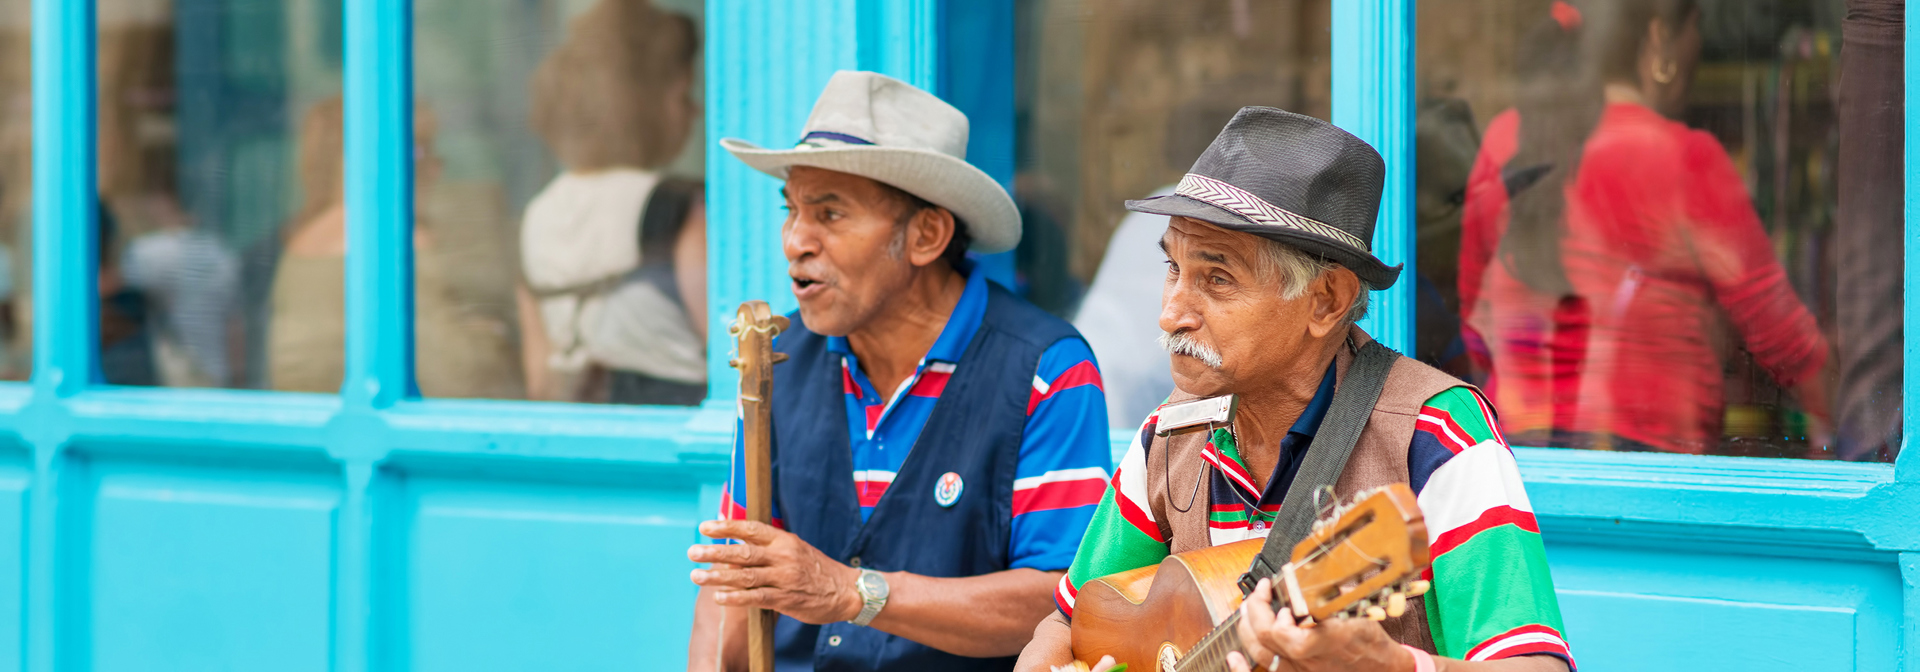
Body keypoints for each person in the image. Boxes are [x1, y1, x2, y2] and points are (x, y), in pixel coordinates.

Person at [1017, 108, 1571, 672]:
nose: (1170, 314)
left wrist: (1394, 667)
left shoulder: (1437, 435)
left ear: (1327, 300)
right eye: (1173, 269)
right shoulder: (1170, 435)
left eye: (1216, 279)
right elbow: (1066, 620)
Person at [684, 71, 1115, 672]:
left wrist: (851, 593)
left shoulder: (1046, 369)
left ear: (926, 235)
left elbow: (1064, 600)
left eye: (830, 215)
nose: (794, 240)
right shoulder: (776, 360)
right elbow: (733, 580)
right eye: (793, 210)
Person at [1457, 0, 1831, 454]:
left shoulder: (1503, 137)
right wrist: (1853, 440)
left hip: (1512, 459)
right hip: (1648, 470)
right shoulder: (1684, 158)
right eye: (1697, 30)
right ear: (1658, 38)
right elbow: (1784, 340)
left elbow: (1476, 320)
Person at [516, 0, 707, 405]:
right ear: (644, 102)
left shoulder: (537, 212)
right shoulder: (676, 205)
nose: (696, 110)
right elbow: (732, 346)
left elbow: (538, 378)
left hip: (578, 427)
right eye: (683, 93)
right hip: (675, 426)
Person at [266, 96, 520, 397]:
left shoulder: (299, 246)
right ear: (380, 160)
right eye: (419, 151)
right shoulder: (399, 242)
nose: (436, 169)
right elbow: (456, 378)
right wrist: (491, 337)